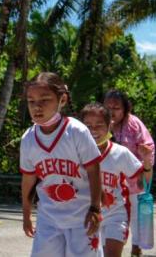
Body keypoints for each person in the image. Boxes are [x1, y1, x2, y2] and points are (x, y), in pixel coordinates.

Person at [20, 73, 104, 257]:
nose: (37, 106)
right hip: (48, 219)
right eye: (31, 101)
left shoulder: (76, 131)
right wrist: (26, 215)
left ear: (62, 100)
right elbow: (28, 179)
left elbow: (94, 170)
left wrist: (95, 208)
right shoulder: (28, 139)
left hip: (82, 217)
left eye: (45, 99)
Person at [80, 102, 146, 257]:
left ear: (109, 125)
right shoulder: (76, 153)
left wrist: (147, 164)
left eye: (99, 125)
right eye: (88, 125)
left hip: (115, 215)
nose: (93, 130)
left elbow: (141, 180)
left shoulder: (120, 153)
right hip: (85, 215)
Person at [103, 90, 155, 254]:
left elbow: (149, 150)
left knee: (136, 225)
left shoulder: (134, 124)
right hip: (107, 184)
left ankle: (136, 250)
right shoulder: (99, 123)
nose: (112, 112)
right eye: (108, 107)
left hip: (132, 184)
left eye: (116, 108)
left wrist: (144, 162)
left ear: (125, 109)